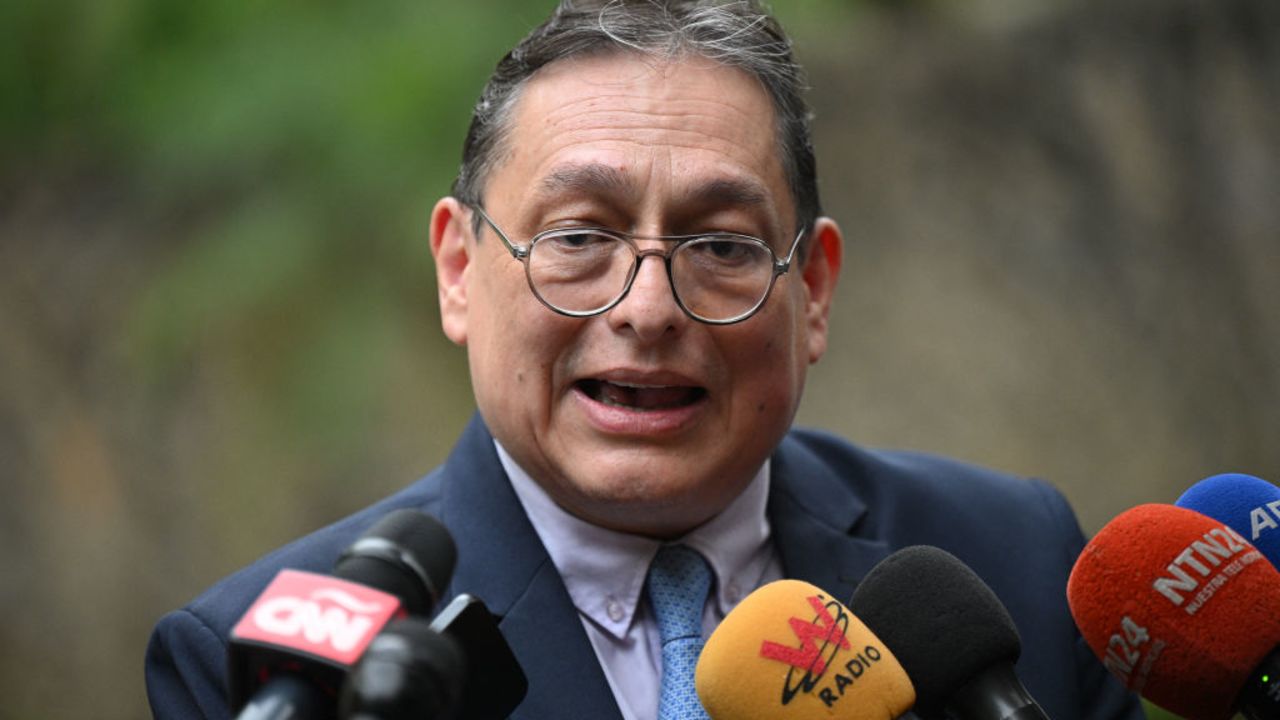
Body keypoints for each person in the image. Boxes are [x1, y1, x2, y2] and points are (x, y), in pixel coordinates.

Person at [145, 1, 1145, 718]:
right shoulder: (264, 671)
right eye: (578, 239)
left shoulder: (1015, 565)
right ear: (459, 269)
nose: (649, 309)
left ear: (814, 291)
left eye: (720, 246)